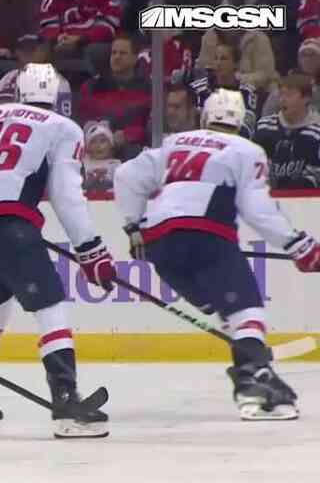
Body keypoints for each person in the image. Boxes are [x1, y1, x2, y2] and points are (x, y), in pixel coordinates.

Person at [0, 63, 116, 439]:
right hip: (8, 227)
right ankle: (66, 405)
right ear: (58, 97)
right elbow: (66, 195)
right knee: (51, 307)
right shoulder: (64, 128)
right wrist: (91, 249)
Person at [114, 90, 320, 421]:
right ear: (241, 122)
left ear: (205, 116)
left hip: (161, 246)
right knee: (247, 310)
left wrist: (134, 228)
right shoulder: (246, 150)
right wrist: (299, 245)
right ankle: (251, 382)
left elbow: (125, 176)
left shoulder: (174, 142)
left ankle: (257, 369)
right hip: (206, 237)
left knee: (226, 311)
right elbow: (258, 209)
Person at [79, 33, 150, 160]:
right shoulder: (92, 86)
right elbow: (82, 121)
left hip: (132, 150)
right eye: (114, 53)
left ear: (135, 58)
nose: (117, 57)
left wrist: (128, 135)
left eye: (122, 53)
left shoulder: (148, 88)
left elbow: (150, 126)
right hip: (96, 147)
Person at [38, 0, 122, 69]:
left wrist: (81, 39)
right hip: (61, 41)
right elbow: (47, 24)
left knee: (94, 51)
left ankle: (93, 82)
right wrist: (58, 38)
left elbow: (108, 27)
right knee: (41, 50)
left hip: (91, 42)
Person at [254, 74, 320, 189]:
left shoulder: (316, 133)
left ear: (306, 98)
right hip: (265, 197)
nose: (282, 99)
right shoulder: (264, 126)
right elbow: (253, 165)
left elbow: (316, 175)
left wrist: (291, 189)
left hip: (304, 201)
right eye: (281, 94)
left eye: (289, 95)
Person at [188, 41, 258, 138]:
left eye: (223, 59)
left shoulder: (247, 92)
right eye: (216, 58)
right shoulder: (198, 89)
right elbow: (190, 124)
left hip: (234, 142)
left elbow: (247, 127)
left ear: (236, 64)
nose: (218, 63)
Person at [0, 36, 72, 118]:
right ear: (17, 52)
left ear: (43, 52)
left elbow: (63, 120)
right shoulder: (8, 78)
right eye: (24, 49)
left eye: (33, 49)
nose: (28, 53)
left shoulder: (59, 81)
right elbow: (2, 112)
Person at [81, 119, 119, 191]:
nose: (98, 146)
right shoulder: (82, 165)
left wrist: (105, 181)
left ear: (111, 145)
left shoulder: (116, 165)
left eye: (103, 141)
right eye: (93, 142)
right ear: (87, 148)